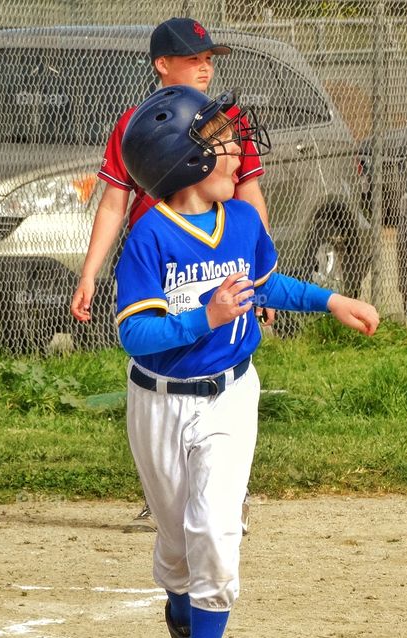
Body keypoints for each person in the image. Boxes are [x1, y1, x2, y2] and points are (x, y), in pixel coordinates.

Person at [116, 84, 378, 638]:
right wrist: (203, 317)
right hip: (158, 404)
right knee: (176, 546)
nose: (236, 152)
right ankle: (185, 618)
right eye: (221, 143)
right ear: (182, 159)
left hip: (229, 395)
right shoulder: (150, 237)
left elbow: (265, 284)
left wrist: (329, 300)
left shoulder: (242, 221)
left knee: (215, 525)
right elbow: (136, 334)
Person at [69, 17, 272, 533]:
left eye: (209, 59)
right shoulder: (136, 125)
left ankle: (226, 492)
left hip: (218, 262)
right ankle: (168, 492)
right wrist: (90, 272)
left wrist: (263, 274)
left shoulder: (225, 123)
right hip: (160, 266)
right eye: (193, 58)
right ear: (162, 64)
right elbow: (114, 201)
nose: (205, 68)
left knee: (223, 368)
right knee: (160, 365)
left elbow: (249, 193)